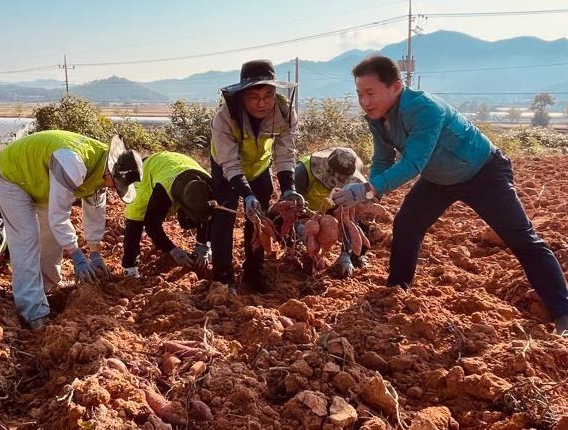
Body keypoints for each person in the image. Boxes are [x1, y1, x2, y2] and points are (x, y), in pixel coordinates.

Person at [333, 55, 568, 336]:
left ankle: (563, 312)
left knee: (521, 239)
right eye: (360, 95)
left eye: (370, 93)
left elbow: (413, 163)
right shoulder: (376, 118)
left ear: (395, 87)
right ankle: (396, 291)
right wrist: (371, 190)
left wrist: (367, 189)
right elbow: (384, 158)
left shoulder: (423, 108)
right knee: (407, 225)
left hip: (483, 172)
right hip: (438, 179)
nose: (365, 101)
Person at [0, 131, 142, 330]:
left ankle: (48, 286)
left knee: (51, 234)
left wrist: (95, 254)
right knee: (26, 238)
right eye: (116, 184)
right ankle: (32, 311)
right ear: (110, 172)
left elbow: (95, 210)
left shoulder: (102, 170)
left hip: (39, 181)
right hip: (11, 176)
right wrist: (77, 255)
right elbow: (59, 217)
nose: (114, 188)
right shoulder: (73, 163)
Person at [210, 59, 303, 294]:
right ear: (242, 95)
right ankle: (223, 277)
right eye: (255, 96)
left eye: (268, 95)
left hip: (260, 167)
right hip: (225, 169)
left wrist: (288, 187)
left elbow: (285, 153)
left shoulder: (284, 112)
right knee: (225, 218)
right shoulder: (225, 117)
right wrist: (246, 194)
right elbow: (229, 163)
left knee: (260, 220)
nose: (263, 103)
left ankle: (253, 273)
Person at [121, 151, 213, 278]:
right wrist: (173, 251)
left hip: (179, 165)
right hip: (149, 170)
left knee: (199, 207)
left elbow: (209, 216)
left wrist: (204, 246)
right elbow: (151, 225)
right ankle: (129, 268)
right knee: (136, 216)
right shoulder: (163, 193)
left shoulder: (208, 188)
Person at [295, 147, 370, 277]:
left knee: (358, 216)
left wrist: (345, 254)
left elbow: (350, 213)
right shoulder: (303, 170)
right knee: (281, 219)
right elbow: (292, 204)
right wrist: (305, 231)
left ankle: (352, 257)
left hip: (334, 209)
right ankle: (298, 247)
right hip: (304, 209)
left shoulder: (355, 174)